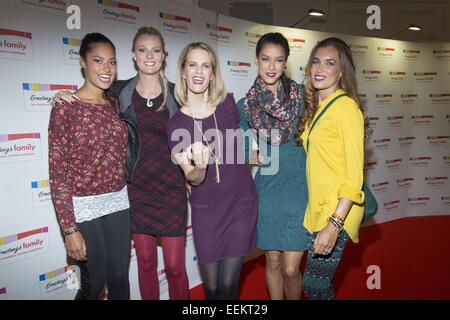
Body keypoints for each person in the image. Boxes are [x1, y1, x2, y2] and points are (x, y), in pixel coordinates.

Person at [51, 27, 189, 300]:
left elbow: (203, 115)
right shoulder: (116, 92)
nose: (149, 55)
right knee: (129, 270)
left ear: (164, 56)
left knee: (163, 269)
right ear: (134, 56)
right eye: (142, 50)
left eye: (155, 50)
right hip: (133, 193)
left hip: (157, 193)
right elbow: (58, 170)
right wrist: (59, 95)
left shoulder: (176, 94)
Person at [166, 42, 258, 300]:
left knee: (229, 286)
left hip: (241, 204)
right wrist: (201, 166)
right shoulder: (176, 125)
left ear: (213, 73)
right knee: (212, 288)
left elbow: (263, 103)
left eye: (205, 66)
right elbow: (192, 177)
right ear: (183, 72)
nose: (199, 71)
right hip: (207, 211)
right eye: (192, 65)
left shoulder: (228, 105)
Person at [48, 33, 131, 300]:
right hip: (82, 207)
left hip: (118, 201)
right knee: (93, 285)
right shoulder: (65, 108)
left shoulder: (116, 103)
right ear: (83, 62)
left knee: (119, 280)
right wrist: (69, 229)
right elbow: (57, 172)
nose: (106, 69)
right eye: (98, 61)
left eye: (112, 62)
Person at [236, 32, 308, 300]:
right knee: (274, 262)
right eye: (265, 59)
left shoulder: (301, 97)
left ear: (286, 63)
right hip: (267, 190)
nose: (271, 66)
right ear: (256, 60)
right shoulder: (247, 105)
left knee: (291, 269)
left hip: (299, 190)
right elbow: (237, 137)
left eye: (278, 60)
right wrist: (252, 151)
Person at [294, 37, 365, 300]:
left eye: (329, 63)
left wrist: (334, 223)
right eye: (315, 62)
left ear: (342, 71)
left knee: (314, 285)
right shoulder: (319, 108)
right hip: (320, 208)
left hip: (337, 212)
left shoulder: (346, 108)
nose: (320, 68)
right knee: (321, 286)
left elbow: (355, 175)